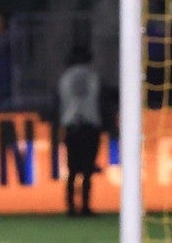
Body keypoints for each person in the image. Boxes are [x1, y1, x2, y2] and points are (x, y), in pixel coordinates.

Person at [57, 45, 102, 216]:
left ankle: (70, 207)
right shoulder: (93, 76)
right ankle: (85, 206)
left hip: (71, 127)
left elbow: (59, 102)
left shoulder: (65, 78)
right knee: (88, 170)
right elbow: (100, 99)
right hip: (90, 126)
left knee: (72, 170)